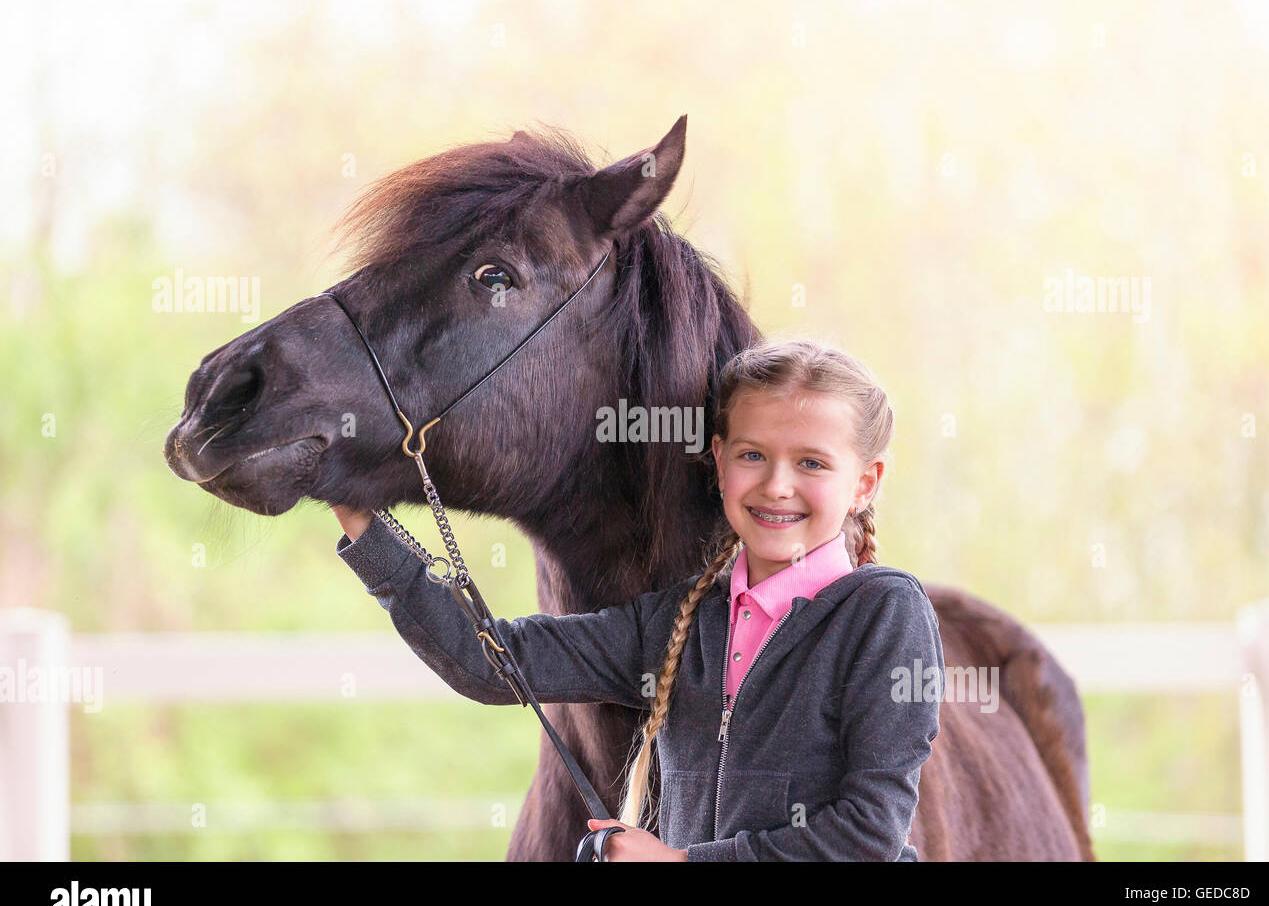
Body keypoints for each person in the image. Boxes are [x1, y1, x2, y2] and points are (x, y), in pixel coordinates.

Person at [332, 338, 944, 861]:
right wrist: (363, 525)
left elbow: (868, 835)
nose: (777, 485)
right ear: (720, 462)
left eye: (811, 462)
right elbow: (488, 661)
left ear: (864, 483)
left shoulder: (882, 613)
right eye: (752, 455)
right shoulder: (679, 621)